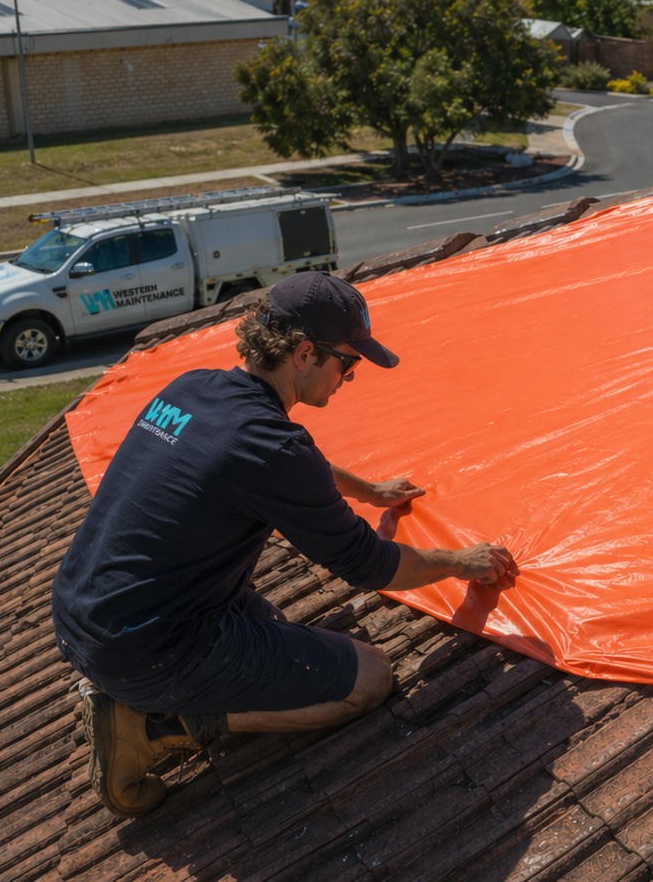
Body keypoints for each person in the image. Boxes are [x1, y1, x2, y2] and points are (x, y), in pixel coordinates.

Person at [51, 270, 518, 818]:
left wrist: (367, 491)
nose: (350, 377)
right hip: (146, 648)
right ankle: (155, 725)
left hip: (86, 610)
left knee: (274, 629)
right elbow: (368, 564)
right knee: (369, 679)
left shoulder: (192, 388)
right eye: (348, 362)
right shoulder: (271, 449)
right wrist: (462, 562)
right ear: (303, 353)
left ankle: (155, 693)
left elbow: (277, 462)